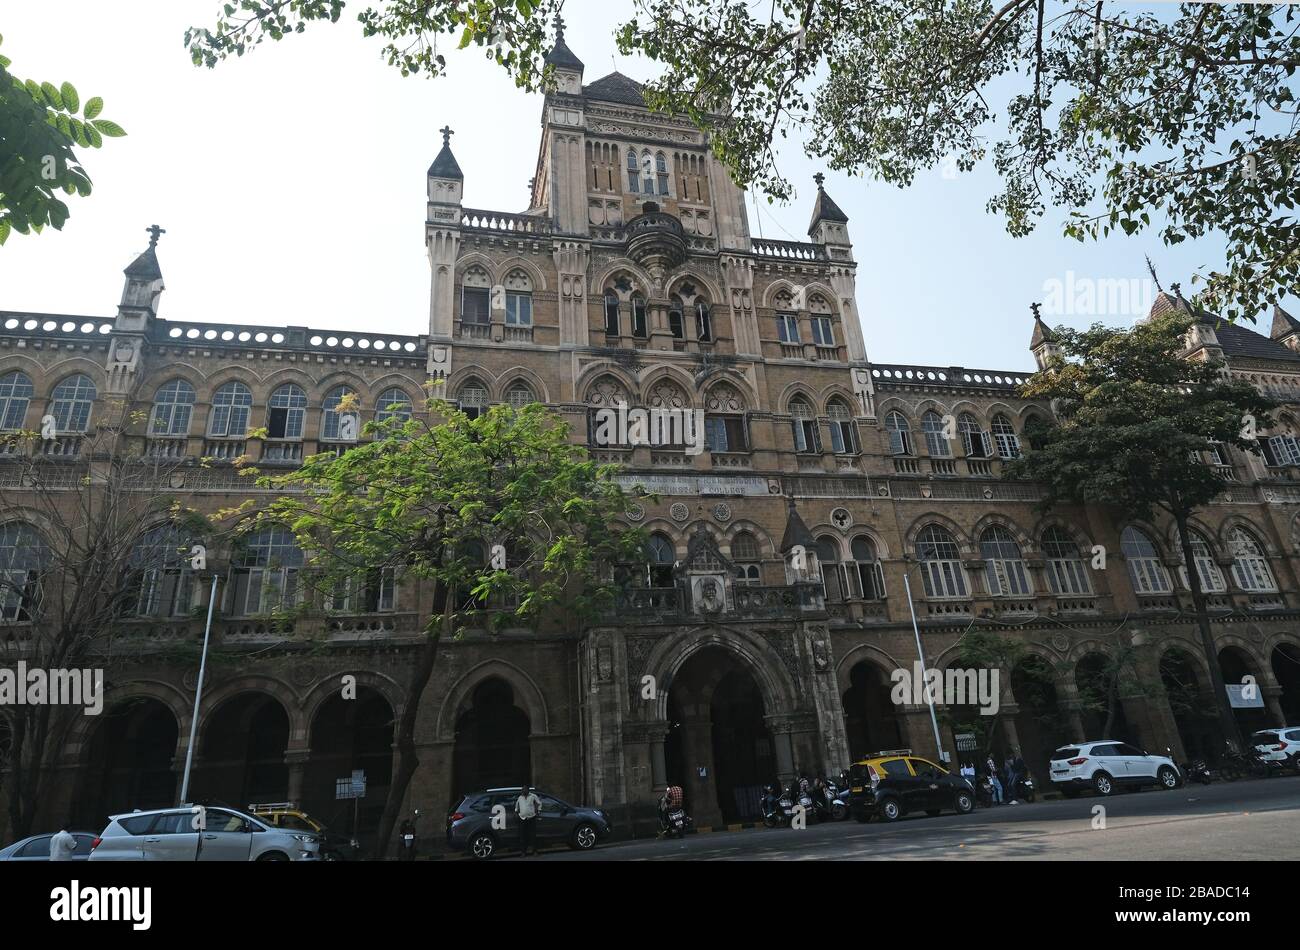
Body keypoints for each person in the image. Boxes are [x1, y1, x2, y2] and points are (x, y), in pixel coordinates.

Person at [515, 784, 541, 857]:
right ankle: (523, 852)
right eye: (522, 789)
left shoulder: (533, 796)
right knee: (523, 836)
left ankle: (535, 851)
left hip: (531, 818)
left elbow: (539, 803)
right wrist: (517, 812)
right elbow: (517, 806)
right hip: (522, 819)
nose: (523, 790)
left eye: (525, 789)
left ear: (528, 790)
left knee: (533, 835)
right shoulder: (520, 797)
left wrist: (538, 811)